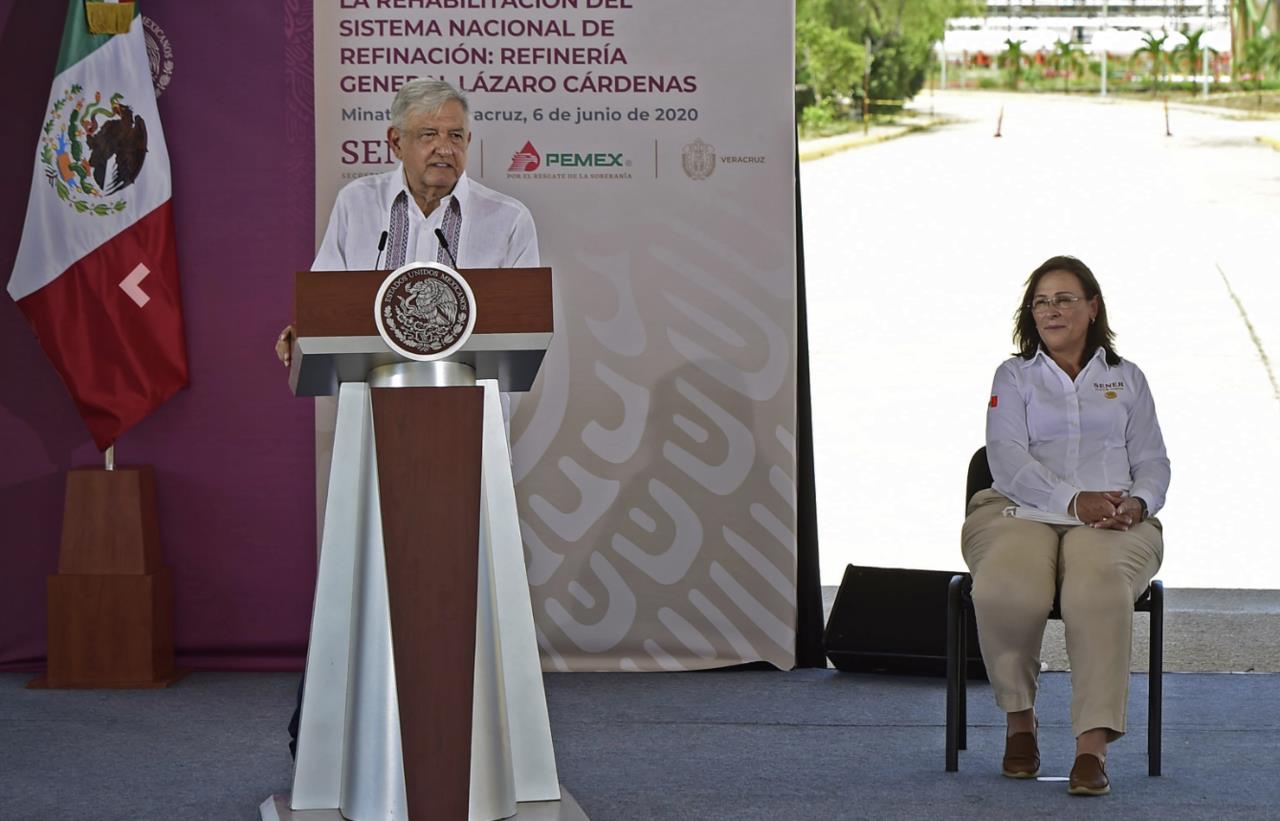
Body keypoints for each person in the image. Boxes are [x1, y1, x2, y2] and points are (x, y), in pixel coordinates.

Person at [961, 255, 1169, 796]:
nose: (1051, 311)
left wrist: (1139, 505)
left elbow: (1153, 462)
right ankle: (1019, 722)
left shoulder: (1127, 378)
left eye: (1064, 299)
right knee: (1008, 585)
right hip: (1016, 510)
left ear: (1093, 306)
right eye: (1040, 302)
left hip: (1114, 524)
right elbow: (1003, 458)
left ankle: (1091, 748)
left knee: (1097, 588)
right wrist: (1074, 502)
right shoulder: (1014, 376)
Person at [276, 77, 539, 366]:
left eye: (455, 135)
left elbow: (525, 327)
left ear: (468, 141)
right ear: (396, 142)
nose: (445, 148)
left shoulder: (509, 218)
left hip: (471, 397)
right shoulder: (357, 203)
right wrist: (306, 334)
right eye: (429, 134)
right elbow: (323, 304)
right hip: (370, 398)